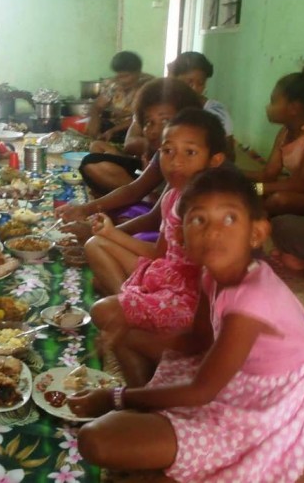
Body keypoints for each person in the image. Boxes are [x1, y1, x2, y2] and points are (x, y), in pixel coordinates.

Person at [70, 166, 304, 483]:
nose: (212, 232)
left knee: (96, 440)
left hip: (262, 404)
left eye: (229, 219)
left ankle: (163, 442)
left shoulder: (253, 302)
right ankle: (155, 427)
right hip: (224, 374)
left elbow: (200, 391)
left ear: (256, 233)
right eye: (199, 219)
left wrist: (117, 397)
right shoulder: (211, 273)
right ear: (182, 234)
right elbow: (197, 341)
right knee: (124, 331)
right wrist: (128, 332)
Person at [87, 109, 227, 386]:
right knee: (95, 244)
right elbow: (159, 254)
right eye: (167, 151)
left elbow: (212, 285)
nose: (175, 162)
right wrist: (110, 233)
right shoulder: (173, 195)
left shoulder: (209, 207)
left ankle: (151, 368)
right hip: (165, 275)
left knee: (104, 313)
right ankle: (140, 338)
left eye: (189, 153)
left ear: (214, 161)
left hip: (188, 299)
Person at [79, 77, 202, 196]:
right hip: (144, 177)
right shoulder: (159, 154)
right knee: (91, 158)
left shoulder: (188, 163)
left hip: (152, 193)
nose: (155, 130)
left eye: (165, 121)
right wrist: (85, 209)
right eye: (149, 123)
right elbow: (138, 189)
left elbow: (155, 209)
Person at [244, 62, 304, 216]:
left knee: (278, 200)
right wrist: (232, 171)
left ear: (293, 108)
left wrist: (256, 189)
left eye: (273, 102)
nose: (268, 107)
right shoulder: (284, 132)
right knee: (243, 189)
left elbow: (301, 185)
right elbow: (268, 174)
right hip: (297, 190)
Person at [167, 51, 234, 157]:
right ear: (174, 79)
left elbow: (229, 154)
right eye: (189, 82)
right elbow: (132, 139)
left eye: (201, 83)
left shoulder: (215, 111)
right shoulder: (164, 105)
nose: (195, 88)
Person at [86, 51, 154, 143]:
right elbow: (97, 106)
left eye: (126, 76)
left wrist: (113, 131)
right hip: (113, 128)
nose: (121, 80)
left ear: (138, 72)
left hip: (136, 129)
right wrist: (94, 120)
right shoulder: (113, 84)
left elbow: (141, 117)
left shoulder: (149, 86)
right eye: (119, 76)